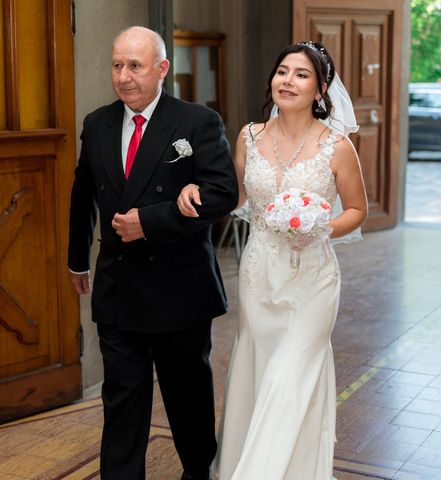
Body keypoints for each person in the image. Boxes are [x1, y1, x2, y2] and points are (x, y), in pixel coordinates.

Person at [177, 42, 368, 479]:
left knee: (292, 373)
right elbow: (236, 196)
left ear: (320, 89)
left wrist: (318, 226)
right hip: (260, 271)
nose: (287, 81)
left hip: (313, 278)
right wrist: (194, 192)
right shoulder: (249, 135)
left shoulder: (337, 146)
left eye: (301, 74)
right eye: (282, 71)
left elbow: (357, 210)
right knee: (259, 369)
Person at [68, 26, 238, 480]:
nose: (124, 76)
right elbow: (82, 193)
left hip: (179, 289)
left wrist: (152, 220)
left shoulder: (197, 122)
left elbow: (222, 195)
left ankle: (198, 471)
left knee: (188, 400)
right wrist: (77, 258)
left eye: (135, 66)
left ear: (162, 69)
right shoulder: (97, 123)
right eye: (117, 65)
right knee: (122, 400)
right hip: (119, 286)